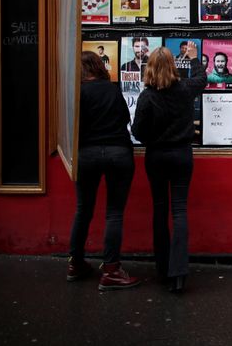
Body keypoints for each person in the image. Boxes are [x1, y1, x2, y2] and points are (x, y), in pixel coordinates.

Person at [131, 42, 207, 293]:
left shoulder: (147, 97)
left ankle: (163, 268)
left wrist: (154, 138)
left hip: (157, 157)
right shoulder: (184, 89)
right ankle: (179, 272)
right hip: (182, 156)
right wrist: (194, 58)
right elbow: (201, 78)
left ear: (150, 67)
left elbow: (138, 133)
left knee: (160, 211)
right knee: (179, 211)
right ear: (174, 67)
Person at [67, 51, 140, 291]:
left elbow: (71, 126)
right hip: (118, 152)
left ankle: (75, 263)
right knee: (114, 213)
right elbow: (123, 118)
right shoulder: (112, 89)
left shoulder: (77, 92)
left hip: (86, 154)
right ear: (99, 66)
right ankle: (111, 270)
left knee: (82, 210)